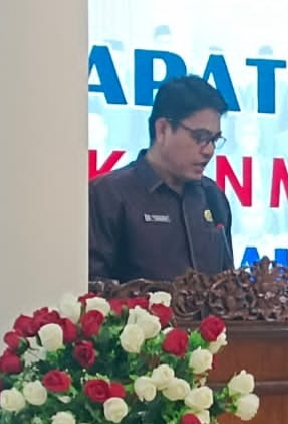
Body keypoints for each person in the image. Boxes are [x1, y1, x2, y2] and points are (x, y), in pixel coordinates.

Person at [89, 75, 234, 283]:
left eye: (214, 140)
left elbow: (228, 286)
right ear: (163, 129)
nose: (209, 150)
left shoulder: (213, 196)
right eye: (201, 137)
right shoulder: (108, 194)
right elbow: (93, 290)